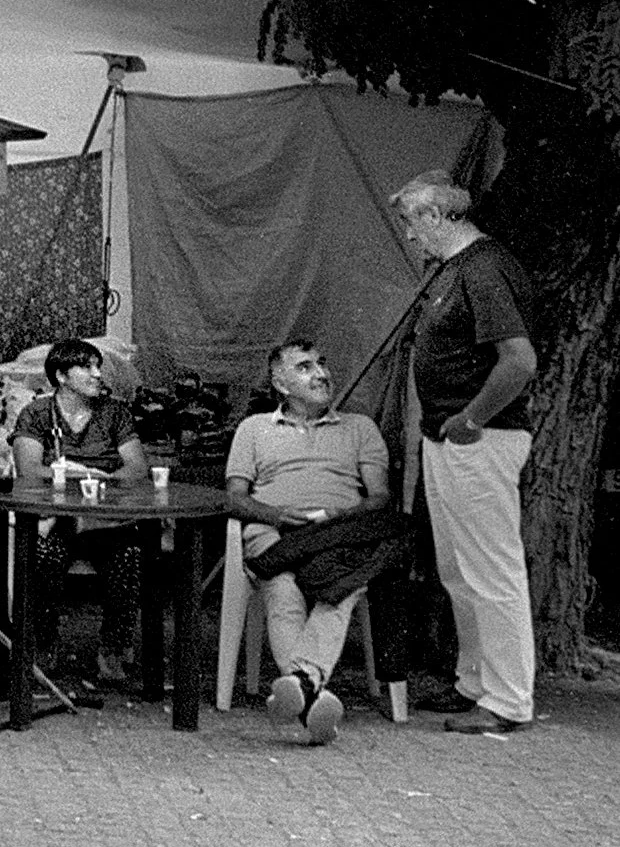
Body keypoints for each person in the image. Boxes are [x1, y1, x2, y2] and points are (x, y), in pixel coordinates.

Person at [392, 169, 539, 733]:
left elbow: (519, 359)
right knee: (459, 569)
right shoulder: (458, 269)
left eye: (410, 222)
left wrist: (472, 416)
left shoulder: (482, 268)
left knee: (489, 568)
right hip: (451, 437)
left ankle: (506, 700)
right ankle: (476, 682)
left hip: (480, 437)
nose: (409, 235)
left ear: (434, 216)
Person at [224, 340, 394, 743]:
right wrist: (276, 515)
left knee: (338, 590)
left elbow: (380, 497)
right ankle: (309, 694)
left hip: (339, 534)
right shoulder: (254, 429)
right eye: (304, 368)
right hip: (274, 530)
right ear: (280, 384)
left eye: (322, 363)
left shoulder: (359, 428)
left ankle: (301, 686)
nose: (321, 373)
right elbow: (234, 497)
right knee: (281, 590)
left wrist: (339, 516)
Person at [7, 338, 150, 687]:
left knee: (129, 557)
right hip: (57, 519)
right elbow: (28, 470)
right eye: (86, 367)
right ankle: (43, 645)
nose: (96, 374)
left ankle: (113, 649)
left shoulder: (114, 413)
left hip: (105, 519)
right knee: (43, 556)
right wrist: (81, 474)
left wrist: (101, 484)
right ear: (61, 375)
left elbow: (136, 469)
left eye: (97, 366)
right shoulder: (37, 414)